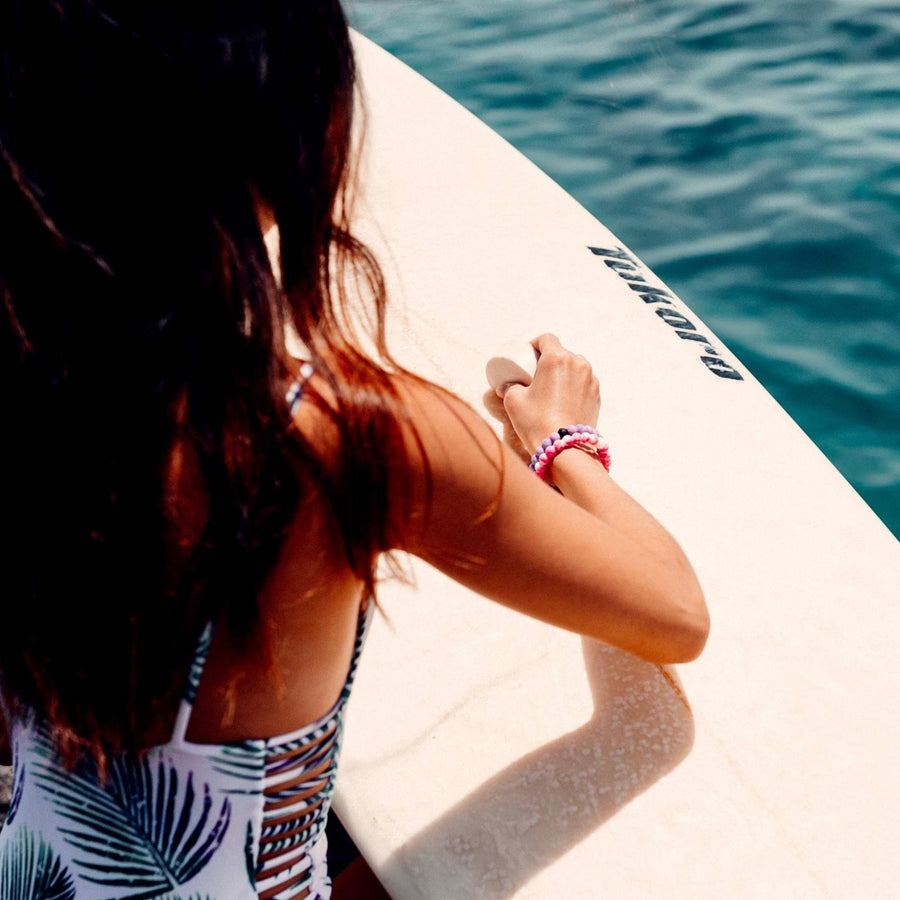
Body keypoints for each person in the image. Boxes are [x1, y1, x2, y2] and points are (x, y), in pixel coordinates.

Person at [0, 1, 709, 898]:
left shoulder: (30, 378)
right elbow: (673, 615)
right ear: (304, 131)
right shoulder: (351, 435)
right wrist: (560, 445)